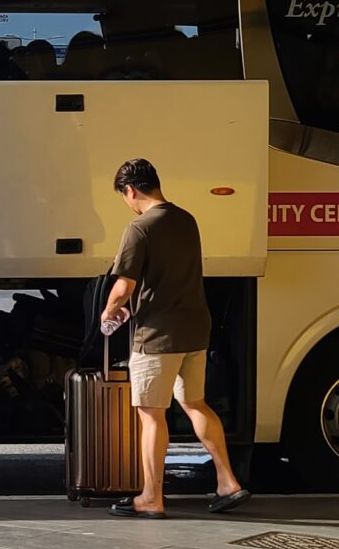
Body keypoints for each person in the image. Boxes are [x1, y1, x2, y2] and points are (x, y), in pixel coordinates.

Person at [97, 157, 250, 517]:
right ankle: (228, 482)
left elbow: (124, 284)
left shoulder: (140, 228)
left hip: (157, 336)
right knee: (195, 403)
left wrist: (108, 311)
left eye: (124, 196)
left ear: (130, 190)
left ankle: (151, 497)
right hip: (195, 330)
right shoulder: (186, 220)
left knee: (152, 415)